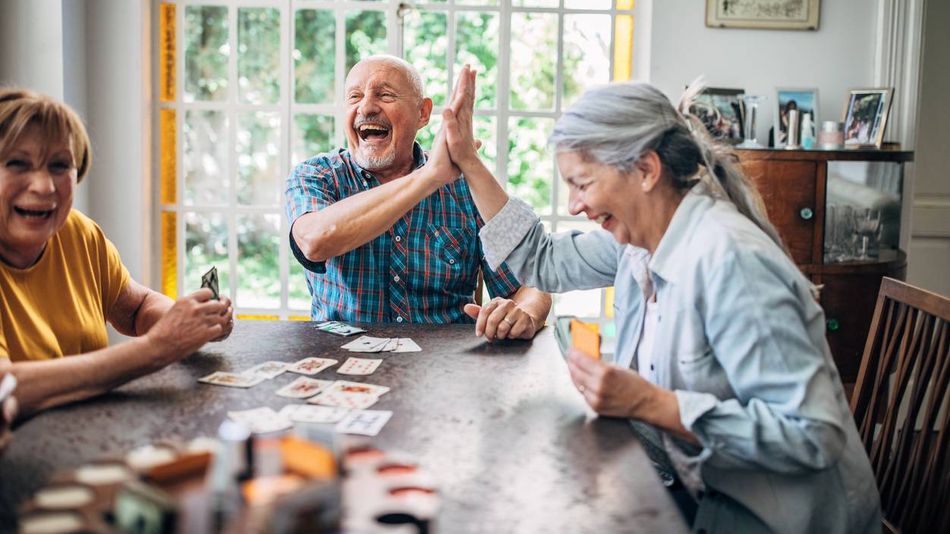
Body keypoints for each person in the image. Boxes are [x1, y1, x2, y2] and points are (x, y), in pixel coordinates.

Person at [437, 70, 880, 533]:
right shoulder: (639, 241)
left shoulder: (731, 262)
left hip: (780, 517)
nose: (573, 205)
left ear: (646, 170)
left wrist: (651, 404)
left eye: (582, 183)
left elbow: (813, 435)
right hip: (696, 486)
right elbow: (541, 259)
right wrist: (468, 160)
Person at [0, 88, 234, 417]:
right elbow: (7, 388)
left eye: (59, 165)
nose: (44, 186)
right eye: (18, 164)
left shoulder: (77, 232)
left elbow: (136, 309)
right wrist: (156, 349)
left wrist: (185, 323)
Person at [284, 55, 550, 340]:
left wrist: (525, 314)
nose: (367, 107)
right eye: (354, 97)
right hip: (340, 363)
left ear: (423, 114)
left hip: (443, 368)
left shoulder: (468, 188)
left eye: (385, 95)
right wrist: (429, 177)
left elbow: (530, 283)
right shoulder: (316, 175)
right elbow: (314, 241)